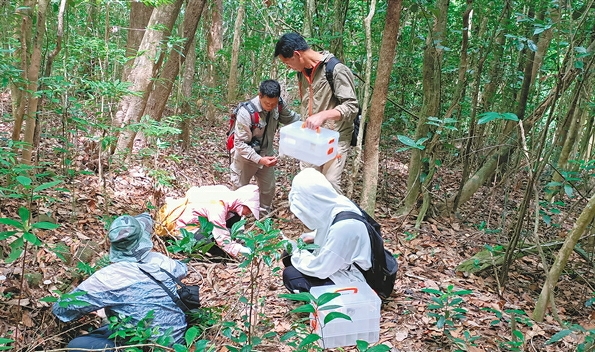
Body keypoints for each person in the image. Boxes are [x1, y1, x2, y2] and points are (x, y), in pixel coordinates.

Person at [52, 213, 188, 350]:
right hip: (176, 341)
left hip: (142, 345)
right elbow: (183, 269)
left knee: (77, 346)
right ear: (143, 240)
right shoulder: (162, 261)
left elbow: (63, 308)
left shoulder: (108, 277)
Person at [274, 32, 359, 193]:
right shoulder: (302, 73)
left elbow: (352, 106)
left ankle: (337, 217)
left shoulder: (336, 70)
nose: (288, 67)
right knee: (307, 182)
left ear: (297, 55)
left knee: (330, 185)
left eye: (287, 62)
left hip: (335, 138)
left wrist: (323, 115)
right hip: (311, 137)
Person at [282, 168, 372, 293]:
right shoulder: (339, 203)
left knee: (292, 276)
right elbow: (328, 224)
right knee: (288, 254)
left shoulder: (344, 227)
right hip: (340, 260)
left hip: (352, 276)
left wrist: (298, 253)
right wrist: (311, 237)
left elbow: (321, 269)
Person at [230, 79, 300, 214]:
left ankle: (263, 217)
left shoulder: (278, 105)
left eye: (273, 104)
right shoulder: (246, 113)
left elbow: (291, 118)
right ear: (260, 96)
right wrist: (259, 160)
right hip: (246, 158)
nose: (270, 106)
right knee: (239, 190)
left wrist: (310, 122)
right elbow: (239, 143)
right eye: (267, 103)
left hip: (266, 154)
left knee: (268, 188)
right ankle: (235, 222)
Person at [156, 184, 260, 258]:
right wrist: (240, 250)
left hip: (202, 222)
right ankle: (182, 246)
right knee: (215, 247)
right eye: (249, 209)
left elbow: (235, 220)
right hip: (183, 228)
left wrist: (240, 239)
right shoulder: (217, 207)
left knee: (235, 216)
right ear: (242, 203)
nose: (249, 213)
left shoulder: (227, 196)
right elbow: (222, 238)